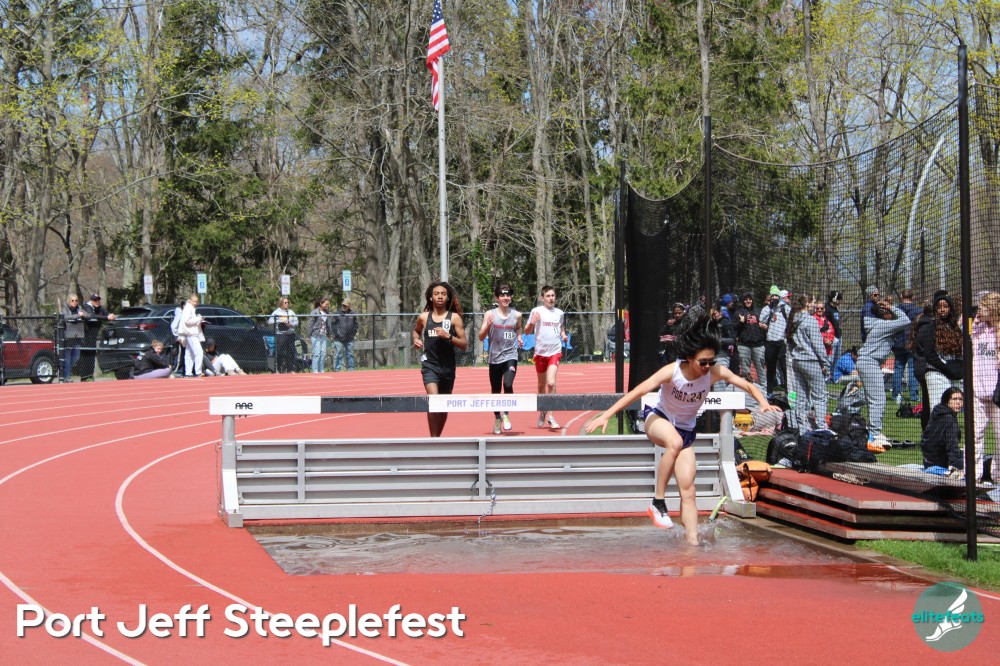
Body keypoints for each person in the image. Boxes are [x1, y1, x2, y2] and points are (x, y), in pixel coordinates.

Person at [585, 313, 781, 545]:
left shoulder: (715, 372)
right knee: (674, 443)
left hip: (685, 432)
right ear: (689, 357)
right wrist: (606, 415)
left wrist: (763, 403)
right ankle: (658, 502)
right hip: (658, 419)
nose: (707, 367)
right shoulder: (673, 372)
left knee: (688, 490)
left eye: (711, 362)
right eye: (703, 362)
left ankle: (692, 542)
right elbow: (638, 391)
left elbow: (747, 385)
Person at [412, 280, 468, 436]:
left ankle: (437, 438)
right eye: (436, 294)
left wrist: (448, 336)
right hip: (429, 366)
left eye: (443, 294)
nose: (440, 296)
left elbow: (464, 345)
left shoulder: (454, 318)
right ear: (431, 297)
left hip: (447, 368)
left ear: (448, 297)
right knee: (434, 401)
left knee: (443, 406)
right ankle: (433, 440)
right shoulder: (424, 317)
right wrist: (416, 339)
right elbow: (416, 331)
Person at [857, 299, 912, 448]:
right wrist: (891, 307)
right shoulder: (884, 325)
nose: (892, 315)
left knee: (872, 399)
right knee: (879, 400)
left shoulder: (876, 323)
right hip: (869, 362)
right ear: (885, 314)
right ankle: (874, 435)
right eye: (889, 313)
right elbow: (906, 320)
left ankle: (871, 432)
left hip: (869, 362)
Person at [912, 292, 963, 430]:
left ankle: (950, 437)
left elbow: (959, 353)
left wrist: (957, 369)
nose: (942, 310)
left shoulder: (955, 328)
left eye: (945, 306)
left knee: (953, 409)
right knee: (939, 409)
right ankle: (936, 438)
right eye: (939, 307)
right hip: (935, 373)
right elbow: (930, 355)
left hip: (953, 374)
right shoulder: (929, 328)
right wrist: (946, 368)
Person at [478, 284, 523, 434]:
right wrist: (487, 326)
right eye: (502, 295)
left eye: (508, 295)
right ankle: (497, 417)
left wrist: (519, 337)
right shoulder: (489, 314)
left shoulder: (517, 315)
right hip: (494, 357)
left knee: (508, 384)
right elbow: (480, 337)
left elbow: (519, 328)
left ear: (511, 297)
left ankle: (506, 415)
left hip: (510, 356)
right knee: (496, 391)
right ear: (497, 298)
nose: (505, 298)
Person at [525, 285, 568, 429]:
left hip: (555, 352)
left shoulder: (559, 313)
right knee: (541, 384)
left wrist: (563, 335)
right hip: (540, 353)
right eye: (548, 296)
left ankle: (551, 416)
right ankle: (543, 410)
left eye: (553, 295)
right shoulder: (536, 311)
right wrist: (532, 322)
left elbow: (561, 327)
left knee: (551, 383)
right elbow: (527, 331)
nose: (551, 298)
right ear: (542, 298)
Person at [787, 295, 831, 430]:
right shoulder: (810, 320)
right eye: (813, 302)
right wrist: (825, 362)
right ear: (807, 304)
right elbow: (818, 344)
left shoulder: (793, 319)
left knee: (801, 396)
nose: (815, 305)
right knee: (820, 395)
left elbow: (789, 342)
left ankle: (802, 428)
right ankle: (821, 427)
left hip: (796, 361)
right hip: (810, 360)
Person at [971, 292, 1000, 485]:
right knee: (975, 434)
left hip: (997, 393)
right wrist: (975, 322)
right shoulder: (978, 328)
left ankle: (997, 476)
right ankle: (973, 475)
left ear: (992, 309)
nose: (979, 310)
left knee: (999, 437)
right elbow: (962, 332)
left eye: (983, 307)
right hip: (977, 389)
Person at [920, 388, 965, 475]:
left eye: (960, 399)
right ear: (946, 401)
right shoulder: (949, 420)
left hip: (928, 461)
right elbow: (952, 446)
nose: (958, 402)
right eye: (954, 399)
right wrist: (957, 466)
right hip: (941, 463)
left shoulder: (937, 412)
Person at [891, 288, 922, 404]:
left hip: (898, 342)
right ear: (913, 297)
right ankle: (913, 395)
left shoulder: (896, 310)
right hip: (912, 343)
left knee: (898, 369)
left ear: (901, 297)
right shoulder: (917, 311)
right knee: (912, 369)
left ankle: (896, 394)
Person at [759, 285, 791, 395]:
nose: (774, 298)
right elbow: (761, 319)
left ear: (779, 297)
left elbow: (792, 320)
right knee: (771, 368)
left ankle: (789, 391)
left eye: (776, 295)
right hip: (770, 342)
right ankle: (770, 392)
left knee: (785, 367)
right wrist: (770, 307)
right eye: (772, 296)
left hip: (782, 342)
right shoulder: (768, 308)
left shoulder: (785, 308)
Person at [79, 293, 116, 381]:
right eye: (95, 300)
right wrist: (106, 317)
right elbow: (91, 316)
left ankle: (90, 375)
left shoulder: (99, 307)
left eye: (98, 300)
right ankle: (84, 377)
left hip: (93, 335)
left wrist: (112, 315)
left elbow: (106, 314)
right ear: (91, 301)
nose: (97, 301)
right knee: (86, 356)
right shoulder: (87, 307)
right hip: (86, 335)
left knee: (92, 355)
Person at [735, 292, 765, 387]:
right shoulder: (739, 312)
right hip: (744, 345)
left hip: (758, 344)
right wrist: (741, 322)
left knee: (760, 368)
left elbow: (765, 325)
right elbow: (734, 328)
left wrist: (764, 328)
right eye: (746, 299)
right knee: (745, 370)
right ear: (743, 301)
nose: (748, 301)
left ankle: (763, 387)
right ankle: (747, 388)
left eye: (750, 299)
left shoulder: (758, 311)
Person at [269, 296, 299, 373]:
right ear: (281, 303)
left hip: (290, 334)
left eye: (288, 302)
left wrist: (291, 324)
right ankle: (277, 369)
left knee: (291, 352)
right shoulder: (276, 312)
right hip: (281, 335)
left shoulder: (291, 312)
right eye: (285, 302)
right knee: (279, 352)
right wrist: (279, 321)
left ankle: (290, 369)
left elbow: (296, 322)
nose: (287, 304)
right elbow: (270, 321)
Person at [179, 293, 205, 377]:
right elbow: (187, 321)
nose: (195, 303)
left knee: (189, 353)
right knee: (199, 352)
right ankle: (198, 371)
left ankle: (188, 372)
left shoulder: (190, 309)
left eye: (196, 301)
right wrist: (198, 319)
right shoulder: (188, 308)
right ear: (190, 301)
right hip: (191, 333)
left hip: (190, 333)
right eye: (193, 301)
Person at [61, 293, 85, 382]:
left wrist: (83, 315)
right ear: (69, 301)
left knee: (76, 357)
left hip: (77, 335)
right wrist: (78, 316)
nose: (74, 302)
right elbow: (66, 317)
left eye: (76, 300)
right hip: (68, 336)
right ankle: (67, 376)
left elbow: (84, 314)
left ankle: (64, 372)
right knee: (67, 357)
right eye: (72, 300)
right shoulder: (65, 308)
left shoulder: (79, 308)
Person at [332, 298, 359, 371]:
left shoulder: (353, 314)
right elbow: (333, 325)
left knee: (350, 354)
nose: (344, 307)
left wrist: (353, 333)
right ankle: (337, 369)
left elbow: (356, 325)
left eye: (345, 305)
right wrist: (337, 333)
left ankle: (351, 368)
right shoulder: (337, 313)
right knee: (338, 354)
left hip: (350, 338)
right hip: (339, 338)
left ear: (349, 306)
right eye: (343, 305)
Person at [308, 297, 331, 373]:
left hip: (323, 335)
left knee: (323, 353)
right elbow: (310, 324)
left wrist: (329, 334)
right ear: (321, 303)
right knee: (317, 353)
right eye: (326, 304)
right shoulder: (315, 312)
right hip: (315, 335)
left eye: (327, 304)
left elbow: (328, 324)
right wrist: (308, 335)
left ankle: (321, 369)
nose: (327, 305)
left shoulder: (326, 312)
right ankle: (315, 370)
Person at [825, 291, 844, 371]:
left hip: (838, 335)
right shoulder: (827, 309)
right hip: (832, 337)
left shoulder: (835, 309)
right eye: (839, 299)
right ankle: (828, 375)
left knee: (837, 360)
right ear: (834, 299)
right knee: (830, 360)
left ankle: (834, 376)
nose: (840, 301)